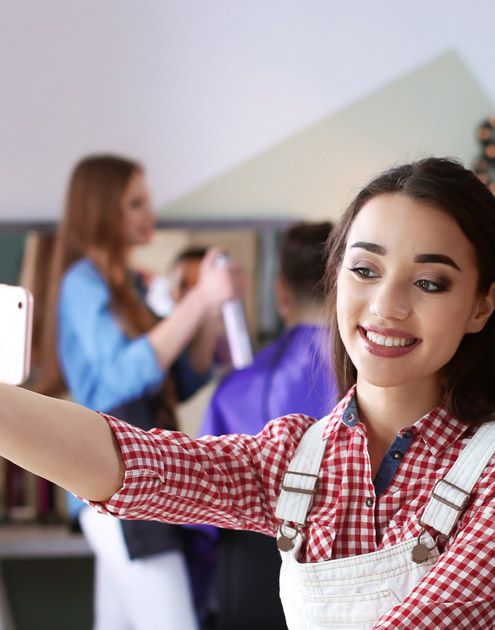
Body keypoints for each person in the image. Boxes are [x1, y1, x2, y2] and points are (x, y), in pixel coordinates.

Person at [0, 157, 495, 628]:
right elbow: (125, 461)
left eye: (430, 282)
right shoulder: (297, 458)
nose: (386, 306)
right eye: (364, 269)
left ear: (482, 305)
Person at [32, 154, 241, 630]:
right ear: (103, 210)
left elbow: (178, 382)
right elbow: (122, 378)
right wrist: (199, 299)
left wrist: (209, 313)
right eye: (136, 203)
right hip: (114, 479)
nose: (151, 212)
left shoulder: (128, 286)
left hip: (140, 476)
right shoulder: (81, 284)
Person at [195, 220, 335, 629]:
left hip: (253, 574)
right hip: (346, 567)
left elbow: (205, 513)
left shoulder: (240, 387)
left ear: (280, 292)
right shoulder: (378, 384)